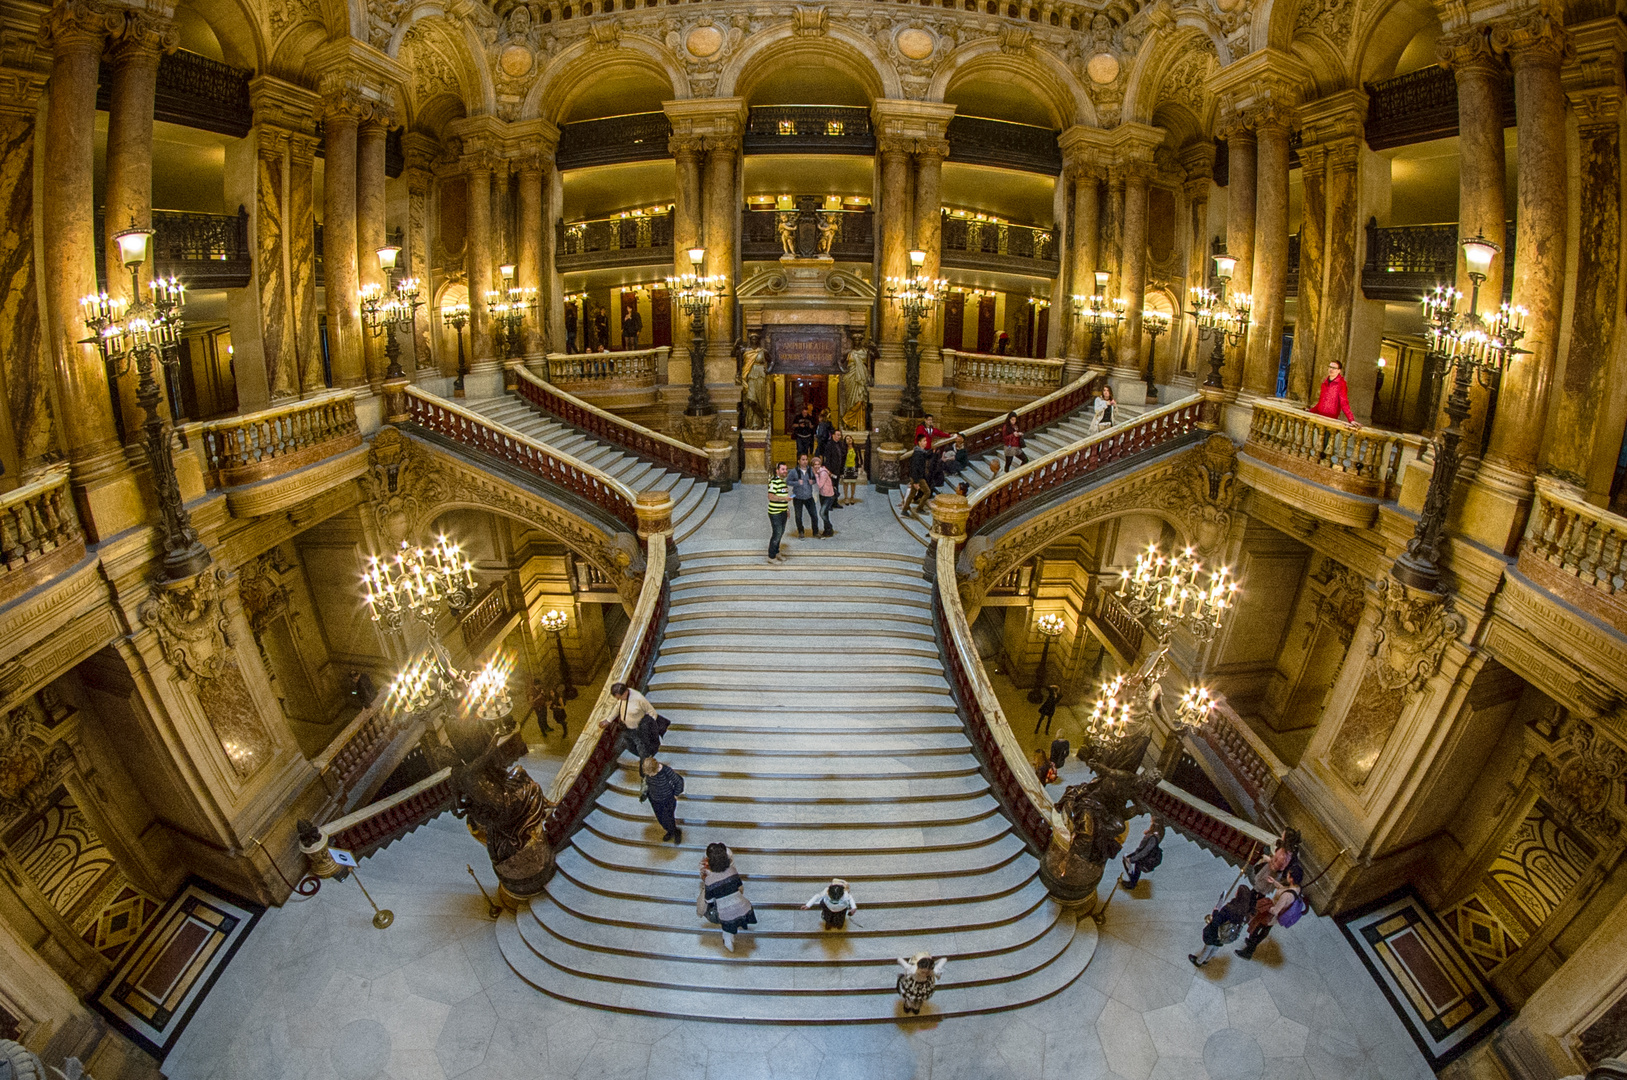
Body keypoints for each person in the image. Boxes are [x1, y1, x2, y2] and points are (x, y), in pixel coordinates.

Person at [1237, 864, 1303, 960]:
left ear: (1291, 878)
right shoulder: (1297, 888)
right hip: (1273, 918)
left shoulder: (1287, 896)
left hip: (1270, 916)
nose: (1287, 876)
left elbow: (1276, 910)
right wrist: (1275, 882)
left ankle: (1249, 950)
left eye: (1288, 875)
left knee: (1256, 930)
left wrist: (1267, 906)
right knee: (1264, 930)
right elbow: (1284, 890)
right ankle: (1252, 943)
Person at [699, 842, 756, 951]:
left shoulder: (709, 880)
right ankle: (732, 935)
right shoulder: (732, 871)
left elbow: (709, 900)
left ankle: (728, 941)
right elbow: (740, 888)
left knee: (726, 921)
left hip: (725, 912)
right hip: (743, 907)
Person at [1190, 885, 1254, 967]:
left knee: (1208, 947)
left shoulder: (1229, 908)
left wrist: (1215, 911)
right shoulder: (1245, 910)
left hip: (1216, 932)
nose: (1235, 892)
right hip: (1226, 934)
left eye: (1237, 891)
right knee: (1216, 947)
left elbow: (1216, 922)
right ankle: (1207, 959)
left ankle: (1199, 961)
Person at [601, 682, 663, 759]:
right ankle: (646, 757)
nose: (618, 699)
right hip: (628, 729)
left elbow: (652, 712)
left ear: (625, 692)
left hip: (639, 730)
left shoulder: (638, 699)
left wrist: (649, 728)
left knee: (642, 751)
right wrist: (608, 720)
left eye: (619, 697)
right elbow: (618, 707)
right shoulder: (622, 698)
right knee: (630, 747)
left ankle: (647, 762)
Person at [639, 755, 684, 844]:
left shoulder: (666, 771)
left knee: (669, 818)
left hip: (667, 799)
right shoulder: (648, 773)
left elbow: (679, 781)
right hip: (654, 799)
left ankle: (675, 832)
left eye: (651, 774)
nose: (650, 776)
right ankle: (670, 830)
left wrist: (676, 794)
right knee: (660, 818)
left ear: (655, 768)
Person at [1308, 359, 1359, 427]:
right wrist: (1311, 410)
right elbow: (1321, 401)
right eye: (1330, 367)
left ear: (1339, 370)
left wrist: (1351, 419)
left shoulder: (1341, 384)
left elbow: (1344, 403)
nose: (1331, 369)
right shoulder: (1324, 382)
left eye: (1334, 368)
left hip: (1331, 418)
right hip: (1320, 416)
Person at [1121, 819, 1166, 888]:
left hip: (1147, 861)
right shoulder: (1151, 836)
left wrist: (1132, 859)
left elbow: (1145, 851)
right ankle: (1132, 881)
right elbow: (1141, 849)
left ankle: (1132, 883)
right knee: (1127, 859)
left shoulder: (1153, 838)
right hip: (1143, 856)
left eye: (1151, 825)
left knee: (1137, 864)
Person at [787, 454, 820, 538]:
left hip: (809, 497)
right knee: (798, 516)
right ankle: (801, 531)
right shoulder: (794, 471)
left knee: (814, 515)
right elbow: (788, 481)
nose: (805, 461)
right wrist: (797, 483)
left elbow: (816, 479)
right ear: (798, 461)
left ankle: (815, 532)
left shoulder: (811, 470)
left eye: (806, 459)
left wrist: (813, 481)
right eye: (803, 459)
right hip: (798, 497)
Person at [900, 436, 932, 519]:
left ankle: (905, 510)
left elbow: (925, 457)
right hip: (918, 477)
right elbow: (914, 467)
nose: (926, 442)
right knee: (927, 492)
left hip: (915, 477)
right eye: (924, 441)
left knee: (912, 494)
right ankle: (919, 508)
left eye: (926, 440)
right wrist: (916, 482)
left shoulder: (920, 452)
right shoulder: (918, 453)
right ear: (919, 442)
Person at [767, 462, 790, 562]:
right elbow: (770, 496)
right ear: (777, 471)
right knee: (777, 533)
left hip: (783, 511)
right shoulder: (774, 482)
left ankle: (777, 552)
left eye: (786, 469)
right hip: (775, 512)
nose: (785, 471)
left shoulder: (783, 482)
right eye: (783, 469)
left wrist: (787, 508)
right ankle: (771, 556)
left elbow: (784, 498)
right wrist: (784, 498)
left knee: (780, 533)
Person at [813, 455, 837, 538]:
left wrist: (816, 475)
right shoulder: (820, 471)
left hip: (828, 495)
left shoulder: (822, 473)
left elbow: (820, 485)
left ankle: (830, 528)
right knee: (825, 513)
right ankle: (827, 530)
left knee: (822, 513)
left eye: (818, 464)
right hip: (822, 495)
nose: (816, 466)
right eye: (815, 464)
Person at [839, 434, 861, 505]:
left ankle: (852, 497)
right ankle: (846, 497)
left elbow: (859, 457)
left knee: (853, 483)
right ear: (845, 441)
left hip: (854, 467)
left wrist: (860, 466)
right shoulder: (843, 449)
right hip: (846, 467)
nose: (849, 440)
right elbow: (841, 459)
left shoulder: (856, 448)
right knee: (845, 483)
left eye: (850, 438)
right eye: (847, 439)